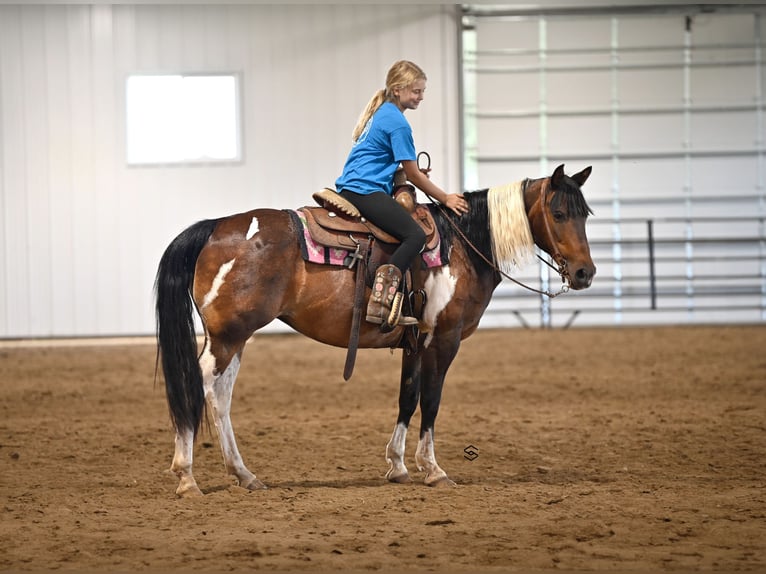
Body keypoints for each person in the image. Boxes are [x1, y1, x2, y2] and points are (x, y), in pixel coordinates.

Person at [335, 60, 469, 331]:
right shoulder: (398, 123)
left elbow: (390, 164)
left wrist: (409, 172)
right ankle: (381, 299)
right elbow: (415, 176)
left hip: (355, 185)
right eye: (416, 91)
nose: (420, 97)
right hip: (365, 190)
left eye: (422, 92)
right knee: (415, 235)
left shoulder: (382, 112)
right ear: (397, 90)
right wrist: (446, 199)